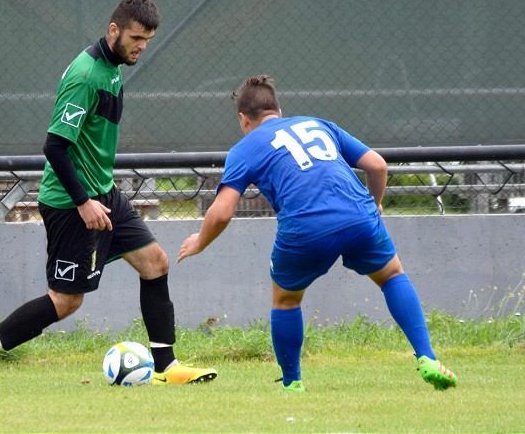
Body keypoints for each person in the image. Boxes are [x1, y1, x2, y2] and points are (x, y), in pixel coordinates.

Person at [0, 0, 217, 388]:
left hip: (102, 193)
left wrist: (97, 195)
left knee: (155, 262)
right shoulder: (85, 76)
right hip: (71, 202)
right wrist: (83, 202)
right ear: (114, 30)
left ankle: (166, 366)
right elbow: (55, 147)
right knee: (66, 301)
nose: (141, 48)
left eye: (147, 41)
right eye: (136, 39)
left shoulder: (112, 66)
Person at [177, 75, 457, 392]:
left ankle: (293, 382)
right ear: (278, 110)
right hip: (358, 215)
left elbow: (223, 210)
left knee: (286, 300)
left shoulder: (245, 148)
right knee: (392, 276)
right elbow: (377, 165)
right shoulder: (318, 123)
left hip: (305, 228)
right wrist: (375, 204)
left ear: (244, 119)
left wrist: (200, 241)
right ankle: (428, 358)